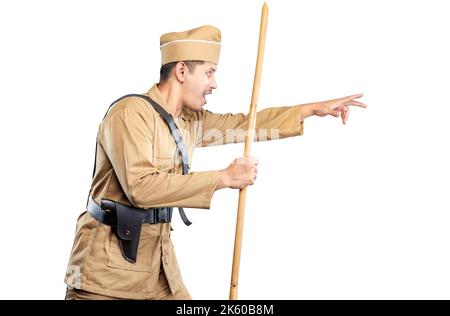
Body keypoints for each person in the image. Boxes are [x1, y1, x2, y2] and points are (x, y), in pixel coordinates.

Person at [64, 25, 366, 300]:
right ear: (182, 71)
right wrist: (224, 177)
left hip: (156, 267)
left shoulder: (191, 121)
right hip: (104, 273)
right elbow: (142, 187)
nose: (214, 83)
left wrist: (312, 110)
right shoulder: (130, 114)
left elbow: (248, 125)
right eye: (209, 73)